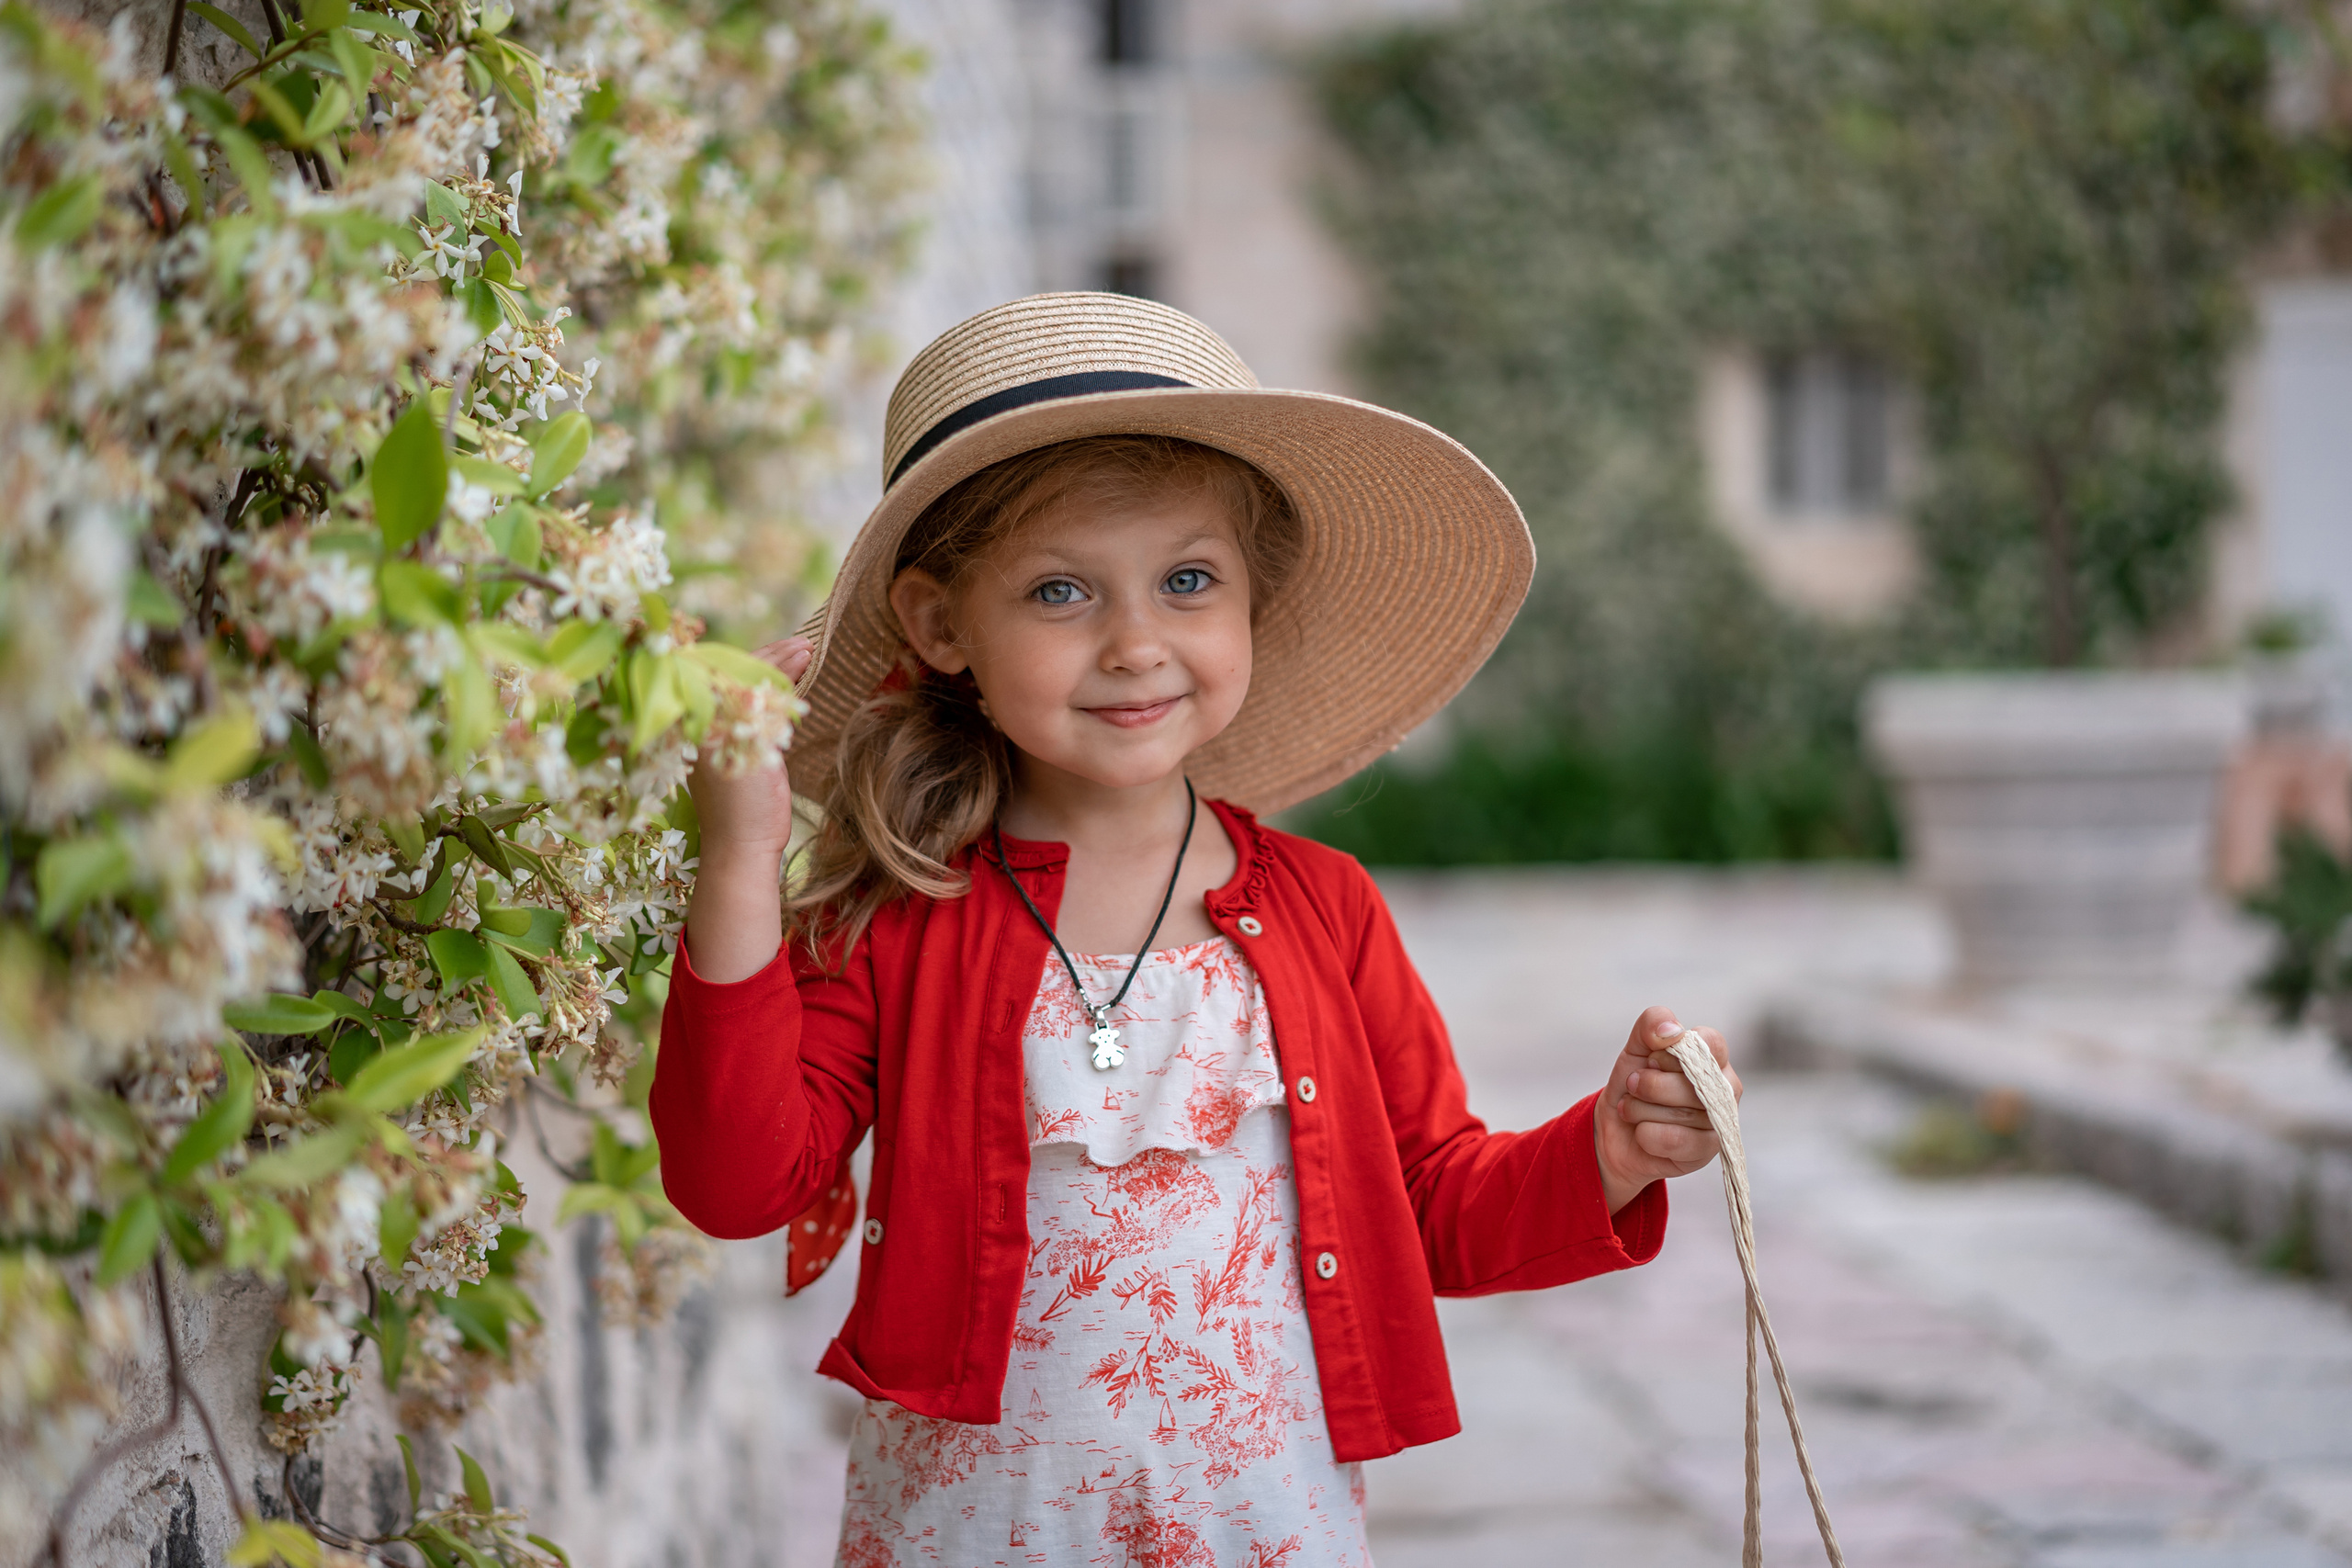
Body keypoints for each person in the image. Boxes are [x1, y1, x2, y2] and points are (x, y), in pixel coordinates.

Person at [651, 292, 1739, 1566]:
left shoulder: (1326, 911)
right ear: (943, 627)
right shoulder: (901, 914)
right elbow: (735, 1185)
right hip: (977, 1536)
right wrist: (737, 849)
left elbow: (1437, 1202)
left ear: (1248, 607)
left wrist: (1605, 1151)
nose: (1135, 644)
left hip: (1256, 1532)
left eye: (1186, 581)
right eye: (1061, 591)